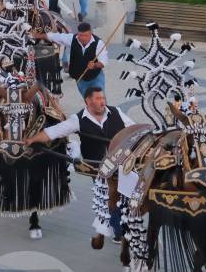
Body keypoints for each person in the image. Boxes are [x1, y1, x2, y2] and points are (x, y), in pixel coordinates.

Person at [28, 86, 135, 239]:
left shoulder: (116, 112)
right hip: (98, 168)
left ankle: (124, 226)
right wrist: (32, 139)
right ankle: (119, 232)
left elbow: (134, 128)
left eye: (103, 98)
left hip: (122, 163)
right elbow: (55, 131)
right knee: (109, 199)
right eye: (98, 99)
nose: (102, 102)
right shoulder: (77, 120)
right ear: (88, 101)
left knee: (126, 196)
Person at [39, 21, 108, 98]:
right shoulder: (72, 39)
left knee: (99, 99)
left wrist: (95, 65)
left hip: (95, 78)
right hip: (80, 79)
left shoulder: (99, 43)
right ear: (78, 33)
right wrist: (37, 35)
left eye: (86, 35)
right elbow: (54, 36)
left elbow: (103, 62)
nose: (83, 38)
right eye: (81, 35)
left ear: (90, 33)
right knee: (89, 101)